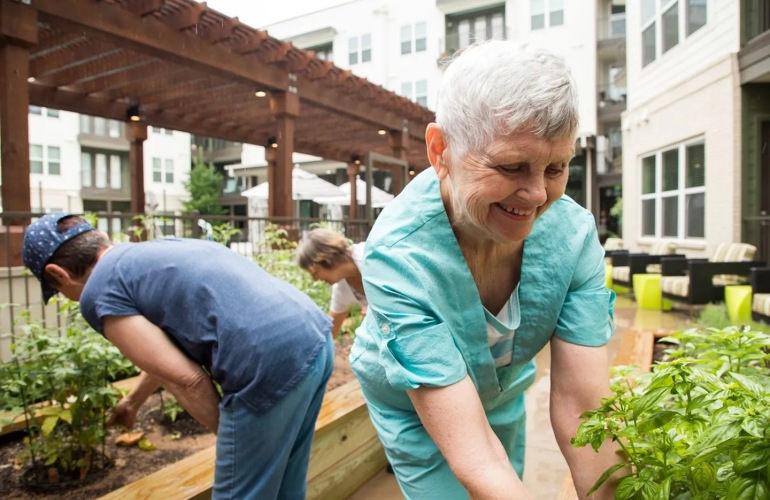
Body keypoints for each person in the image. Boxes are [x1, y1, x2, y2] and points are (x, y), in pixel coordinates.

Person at [350, 40, 622, 499]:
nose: (537, 194)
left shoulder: (572, 235)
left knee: (506, 478)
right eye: (512, 166)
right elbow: (476, 455)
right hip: (414, 406)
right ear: (441, 151)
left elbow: (583, 408)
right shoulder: (397, 255)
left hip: (500, 387)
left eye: (556, 168)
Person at [21, 213, 334, 499]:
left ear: (59, 275)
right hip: (313, 335)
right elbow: (165, 355)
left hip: (267, 361)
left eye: (60, 290)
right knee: (286, 485)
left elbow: (189, 381)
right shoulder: (153, 253)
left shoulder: (98, 291)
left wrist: (236, 445)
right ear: (99, 238)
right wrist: (133, 401)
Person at [296, 228, 367, 339]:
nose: (315, 279)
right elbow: (330, 334)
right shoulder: (341, 289)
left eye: (314, 273)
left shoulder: (369, 256)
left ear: (327, 258)